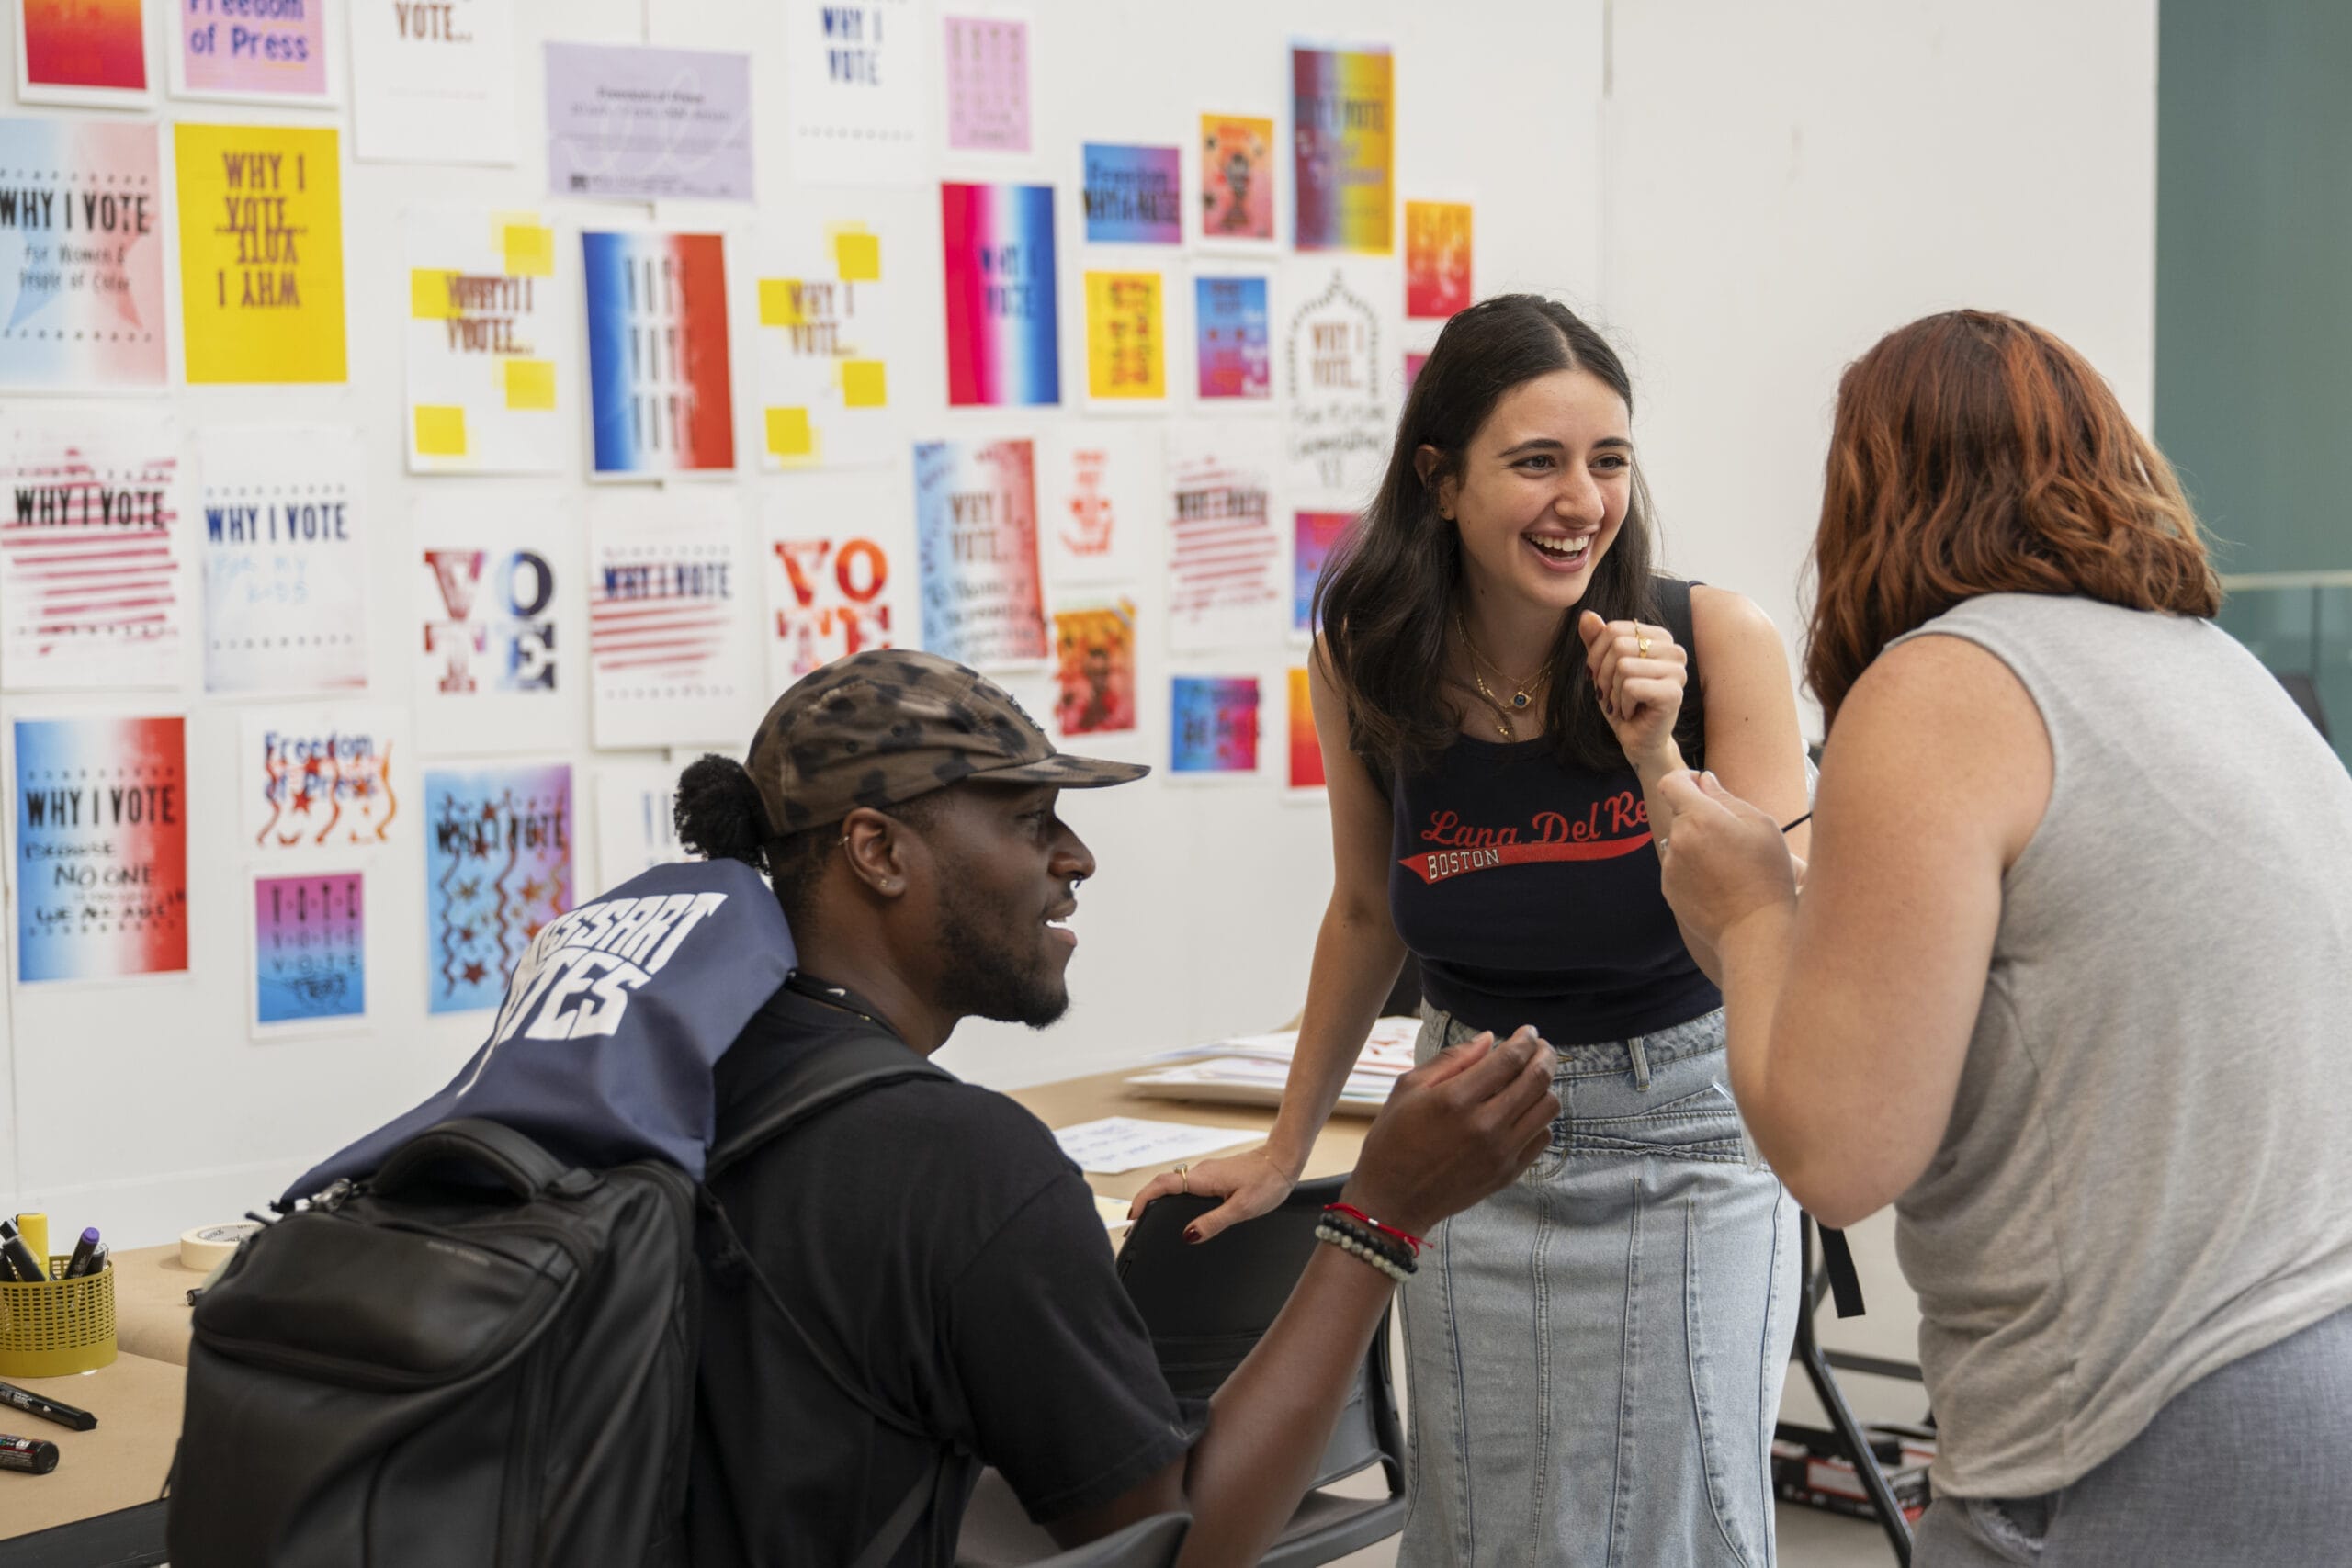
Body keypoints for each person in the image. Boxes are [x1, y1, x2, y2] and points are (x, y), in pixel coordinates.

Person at [1655, 310, 2352, 1565]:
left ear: (1869, 490)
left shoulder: (1941, 682)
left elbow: (1837, 1148)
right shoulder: (2217, 669)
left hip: (2148, 1407)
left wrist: (1750, 906)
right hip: (2310, 1357)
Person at [1137, 295, 1813, 1566]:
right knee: (1482, 1531)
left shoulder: (1719, 644)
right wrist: (1289, 1147)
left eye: (1607, 460)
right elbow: (1363, 906)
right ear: (1441, 480)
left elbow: (1769, 950)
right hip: (1472, 1137)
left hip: (1690, 1135)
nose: (1582, 499)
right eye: (1537, 461)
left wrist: (1657, 751)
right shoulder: (1367, 650)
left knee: (1673, 1530)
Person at [674, 648, 1563, 1568]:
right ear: (878, 852)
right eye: (1028, 821)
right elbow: (1178, 1550)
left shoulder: (682, 1072)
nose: (1077, 857)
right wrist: (1383, 1216)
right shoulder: (964, 1167)